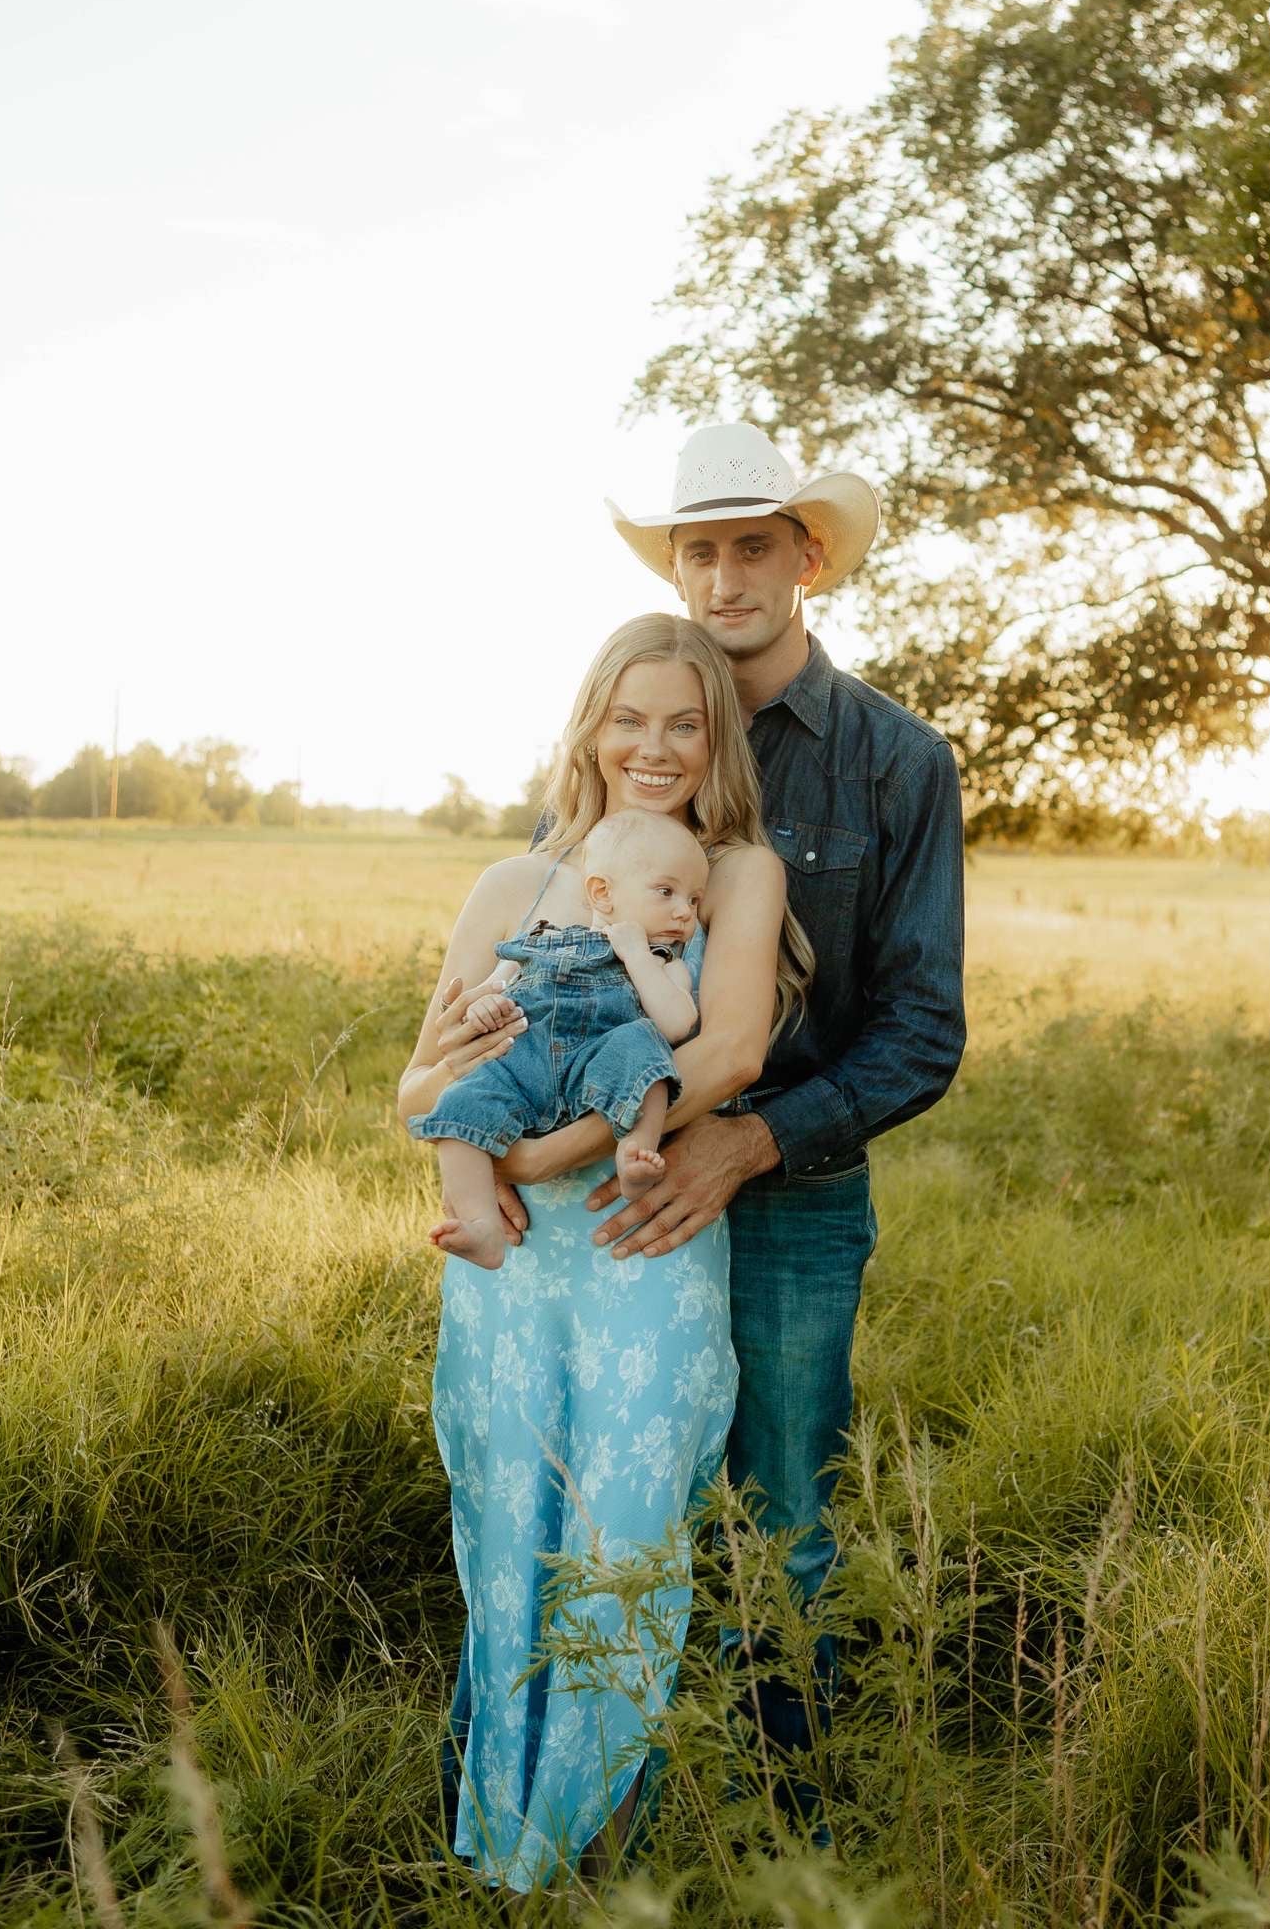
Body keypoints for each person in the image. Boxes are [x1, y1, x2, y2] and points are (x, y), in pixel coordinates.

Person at [396, 613, 807, 1892]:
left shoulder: (732, 873)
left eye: (684, 723)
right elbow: (415, 1089)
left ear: (715, 739)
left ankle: (595, 1853)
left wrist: (530, 1157)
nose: (654, 747)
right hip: (513, 1279)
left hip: (640, 1251)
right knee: (510, 1527)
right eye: (629, 719)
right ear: (587, 726)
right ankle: (501, 1847)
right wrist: (463, 1074)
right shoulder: (507, 888)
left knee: (628, 1536)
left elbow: (723, 1053)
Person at [595, 420, 967, 1803]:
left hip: (798, 1199)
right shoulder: (636, 733)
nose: (726, 574)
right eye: (702, 546)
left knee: (786, 1513)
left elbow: (926, 1029)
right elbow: (554, 929)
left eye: (755, 543)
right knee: (632, 1494)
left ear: (809, 555)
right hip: (623, 1188)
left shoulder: (896, 762)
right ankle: (628, 1787)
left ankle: (785, 1817)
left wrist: (752, 1137)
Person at [408, 810, 709, 1267]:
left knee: (644, 1049)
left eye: (693, 898)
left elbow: (674, 1024)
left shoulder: (664, 962)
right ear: (603, 893)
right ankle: (480, 1226)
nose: (685, 911)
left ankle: (635, 1153)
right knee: (461, 1104)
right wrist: (485, 1007)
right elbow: (490, 989)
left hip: (599, 1068)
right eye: (666, 892)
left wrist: (635, 955)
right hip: (524, 1066)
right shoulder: (539, 939)